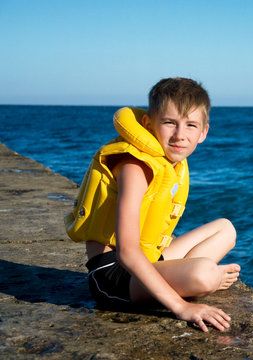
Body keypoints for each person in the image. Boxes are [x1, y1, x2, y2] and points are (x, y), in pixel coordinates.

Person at [65, 77, 240, 332]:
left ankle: (189, 280)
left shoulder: (169, 163)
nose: (180, 135)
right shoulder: (134, 167)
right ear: (148, 124)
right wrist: (181, 307)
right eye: (170, 123)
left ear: (203, 133)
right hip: (114, 277)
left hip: (146, 262)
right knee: (206, 274)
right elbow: (126, 253)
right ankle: (191, 284)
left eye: (191, 125)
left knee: (226, 229)